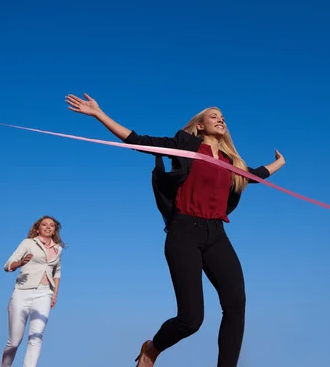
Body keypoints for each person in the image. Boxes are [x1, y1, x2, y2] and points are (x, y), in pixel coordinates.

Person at [66, 93, 286, 367]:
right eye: (213, 116)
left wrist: (279, 164)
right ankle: (152, 348)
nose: (220, 120)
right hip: (184, 233)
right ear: (201, 126)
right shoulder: (184, 147)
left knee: (236, 304)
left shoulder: (232, 163)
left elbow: (255, 175)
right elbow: (139, 141)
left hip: (217, 235)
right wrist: (99, 114)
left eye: (223, 118)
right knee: (191, 320)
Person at [0, 216, 64, 367]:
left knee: (36, 336)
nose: (48, 227)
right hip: (23, 291)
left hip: (44, 293)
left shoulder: (57, 249)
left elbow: (57, 272)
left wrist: (54, 294)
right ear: (37, 228)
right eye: (44, 224)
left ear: (55, 230)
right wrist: (20, 263)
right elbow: (7, 265)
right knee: (14, 341)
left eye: (52, 225)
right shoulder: (28, 243)